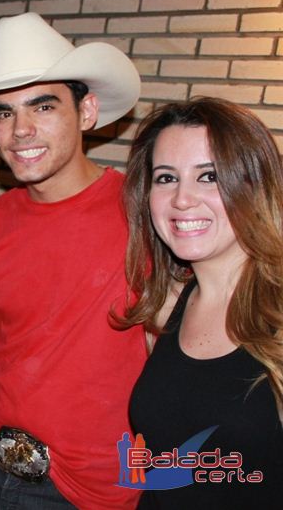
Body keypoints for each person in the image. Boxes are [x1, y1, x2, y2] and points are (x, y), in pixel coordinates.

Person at [0, 12, 147, 509]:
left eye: (43, 106)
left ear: (88, 111)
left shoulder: (145, 214)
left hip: (91, 491)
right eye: (4, 112)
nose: (20, 130)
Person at [118, 97, 283, 508]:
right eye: (166, 178)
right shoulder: (168, 303)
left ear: (254, 184)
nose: (182, 199)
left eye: (208, 176)